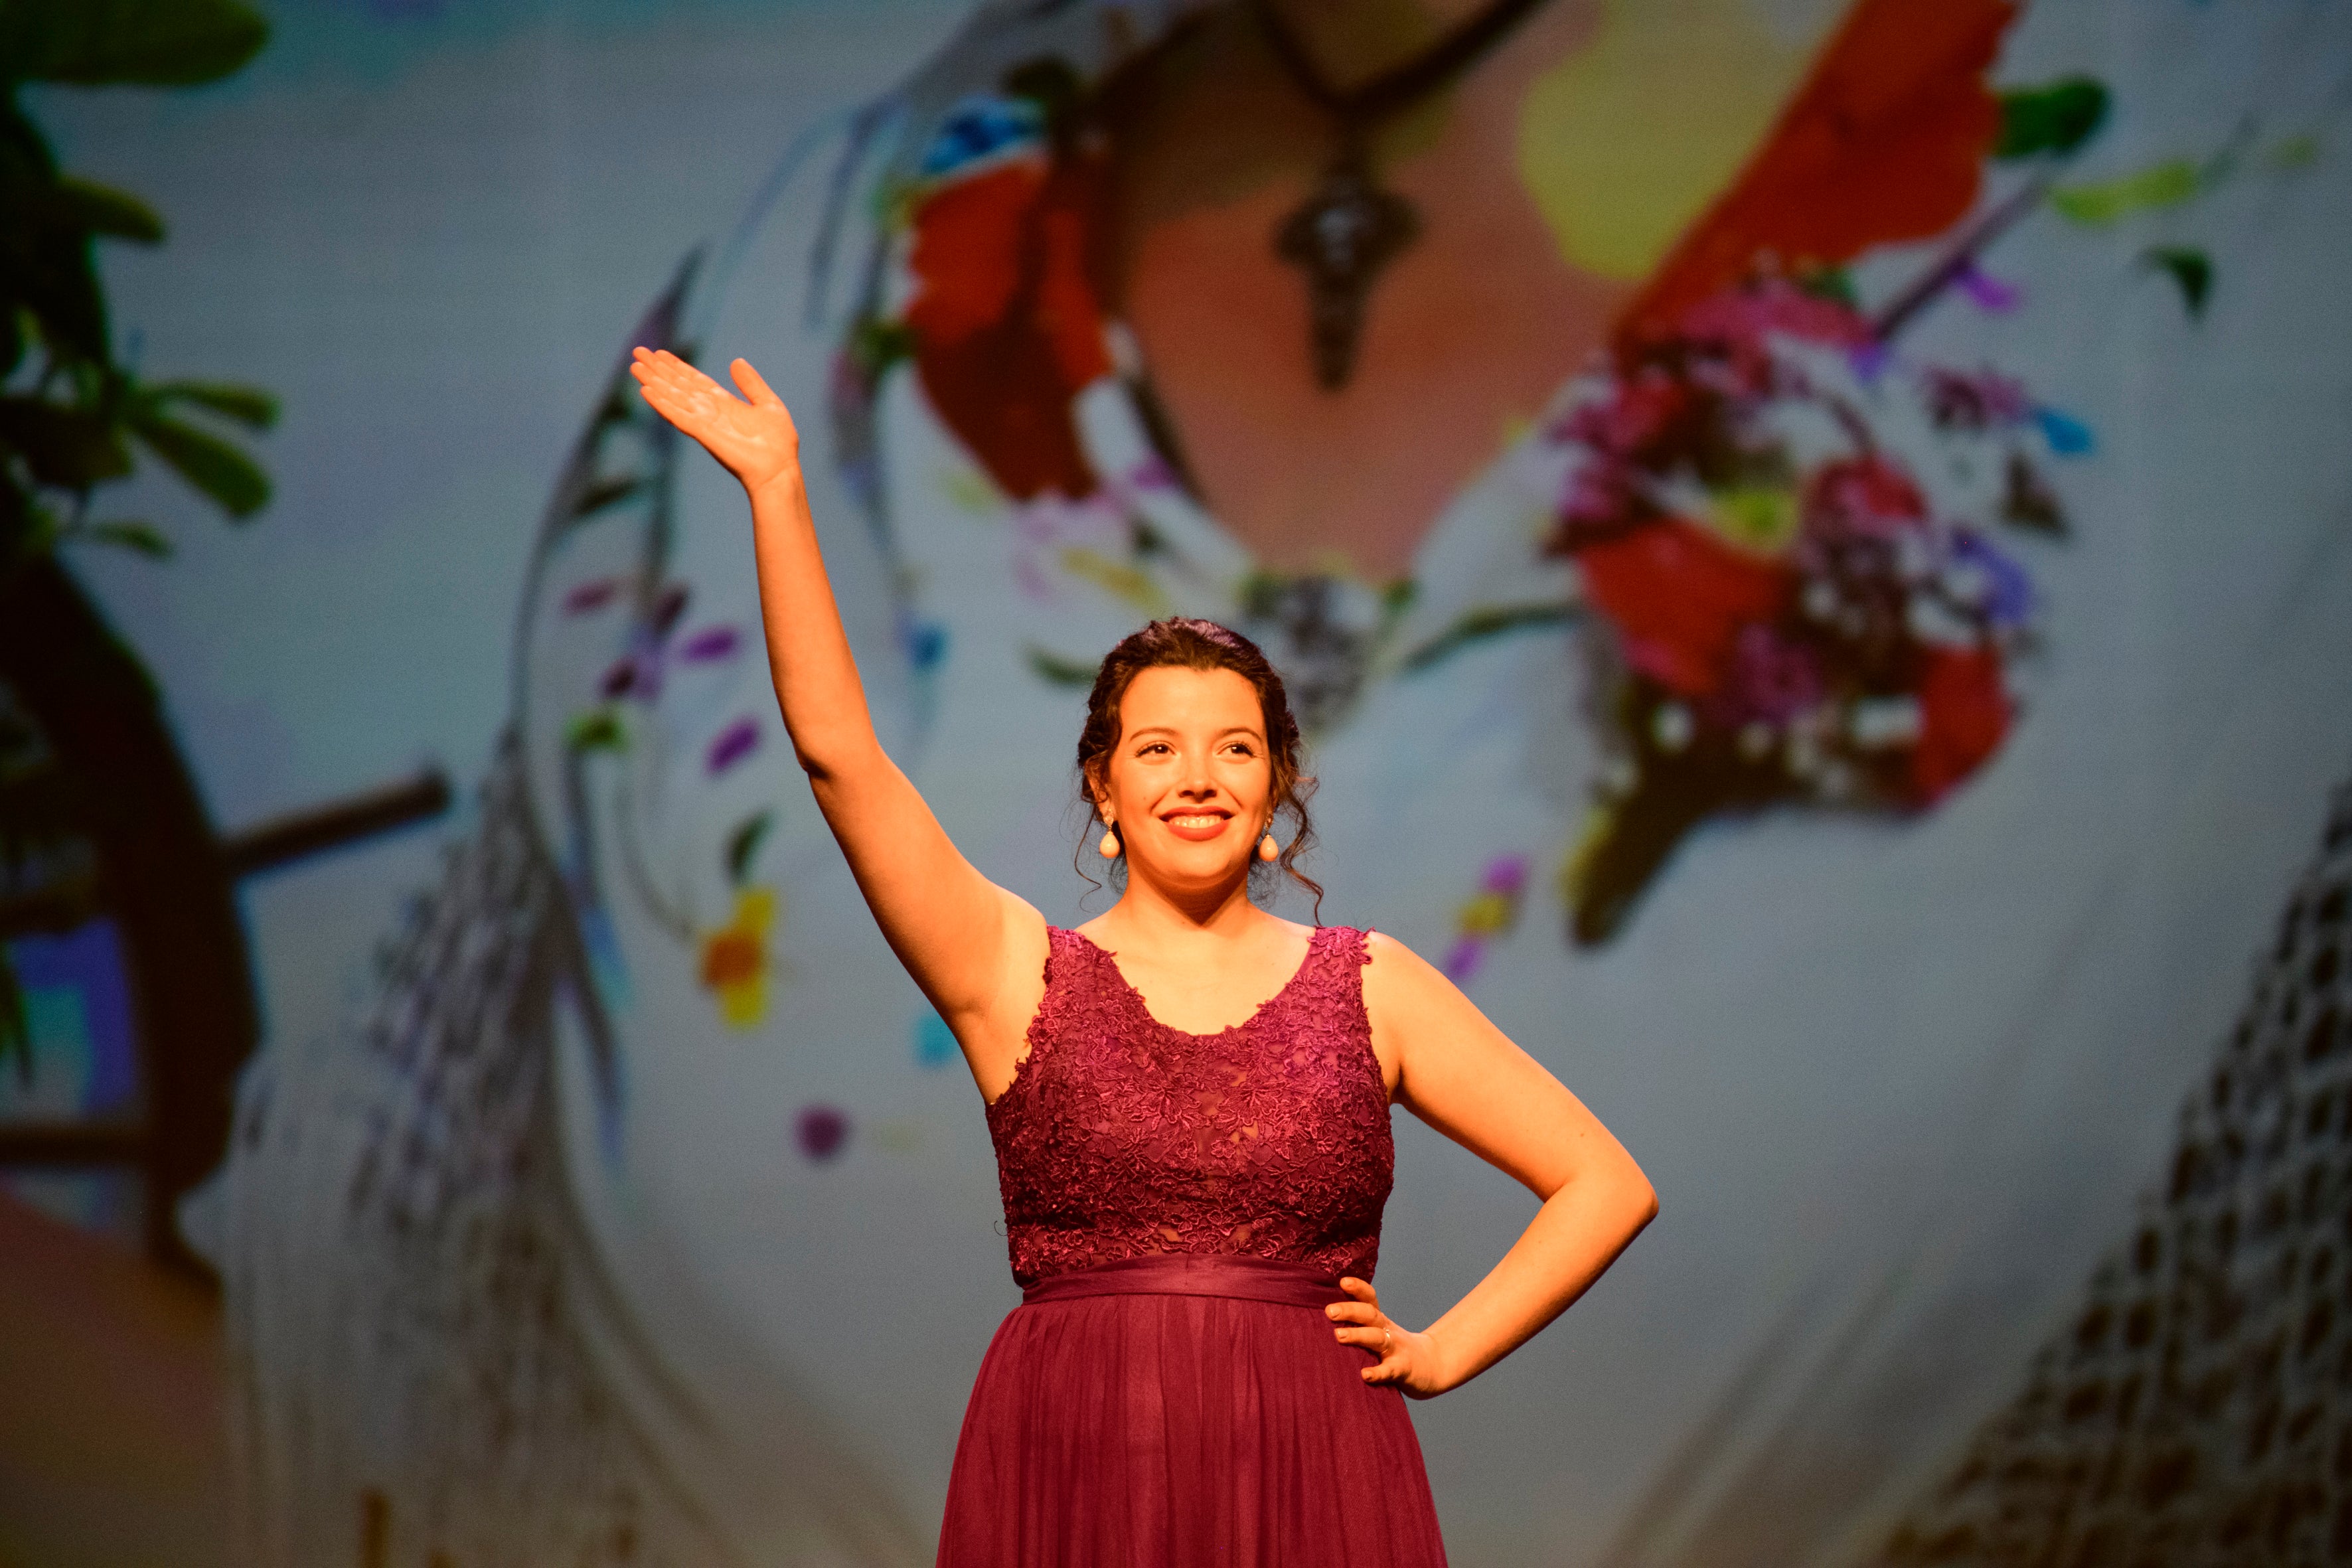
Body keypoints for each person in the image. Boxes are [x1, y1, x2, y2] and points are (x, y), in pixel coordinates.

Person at [627, 341, 1659, 1563]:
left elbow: (1607, 1182)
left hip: (1315, 1467)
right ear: (1103, 788)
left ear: (1278, 787)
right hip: (1075, 1460)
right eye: (1157, 748)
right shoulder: (1013, 970)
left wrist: (1442, 1349)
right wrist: (780, 491)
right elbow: (841, 758)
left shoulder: (1369, 986)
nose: (1198, 777)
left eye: (1234, 749)